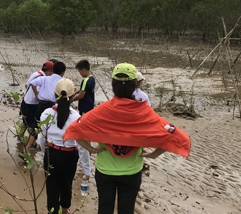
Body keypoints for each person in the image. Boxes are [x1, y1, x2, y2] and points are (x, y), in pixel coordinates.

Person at [63, 63, 191, 214]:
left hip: (105, 172)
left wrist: (91, 149)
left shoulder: (100, 112)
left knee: (104, 210)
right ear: (135, 85)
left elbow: (74, 130)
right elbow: (175, 136)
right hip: (132, 172)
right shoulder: (145, 113)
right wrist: (154, 154)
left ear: (112, 85)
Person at [39, 79, 90, 214]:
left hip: (51, 153)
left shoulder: (46, 114)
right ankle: (65, 209)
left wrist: (46, 153)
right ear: (73, 96)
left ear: (54, 95)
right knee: (67, 184)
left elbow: (42, 138)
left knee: (51, 185)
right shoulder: (76, 118)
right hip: (69, 155)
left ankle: (52, 211)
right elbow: (82, 146)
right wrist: (86, 169)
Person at [22, 61, 66, 154]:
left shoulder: (45, 78)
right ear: (63, 72)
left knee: (36, 127)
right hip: (53, 107)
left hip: (41, 105)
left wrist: (36, 94)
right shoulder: (62, 82)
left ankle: (25, 150)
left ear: (52, 70)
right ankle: (47, 151)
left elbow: (32, 83)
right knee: (51, 128)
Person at [18, 61, 53, 142]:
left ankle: (19, 138)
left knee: (25, 122)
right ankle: (32, 143)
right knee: (33, 125)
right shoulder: (43, 79)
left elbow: (26, 85)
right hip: (32, 104)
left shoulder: (35, 74)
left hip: (25, 101)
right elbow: (39, 96)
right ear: (50, 71)